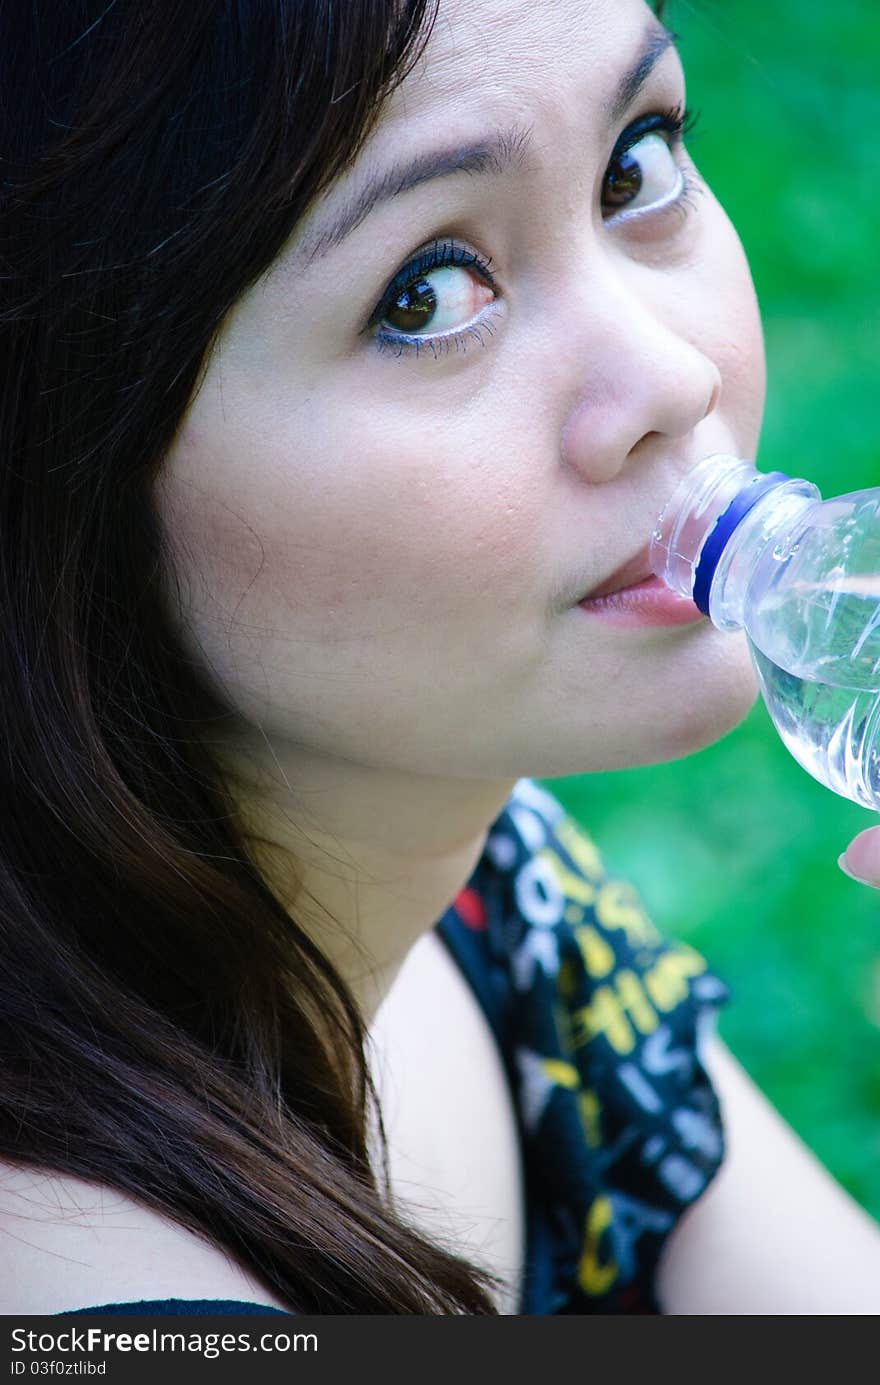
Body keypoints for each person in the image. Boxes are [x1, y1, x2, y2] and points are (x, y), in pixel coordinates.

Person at [1, 0, 879, 1318]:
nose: (671, 376)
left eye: (635, 163)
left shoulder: (476, 896)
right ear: (67, 486)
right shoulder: (110, 1305)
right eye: (426, 294)